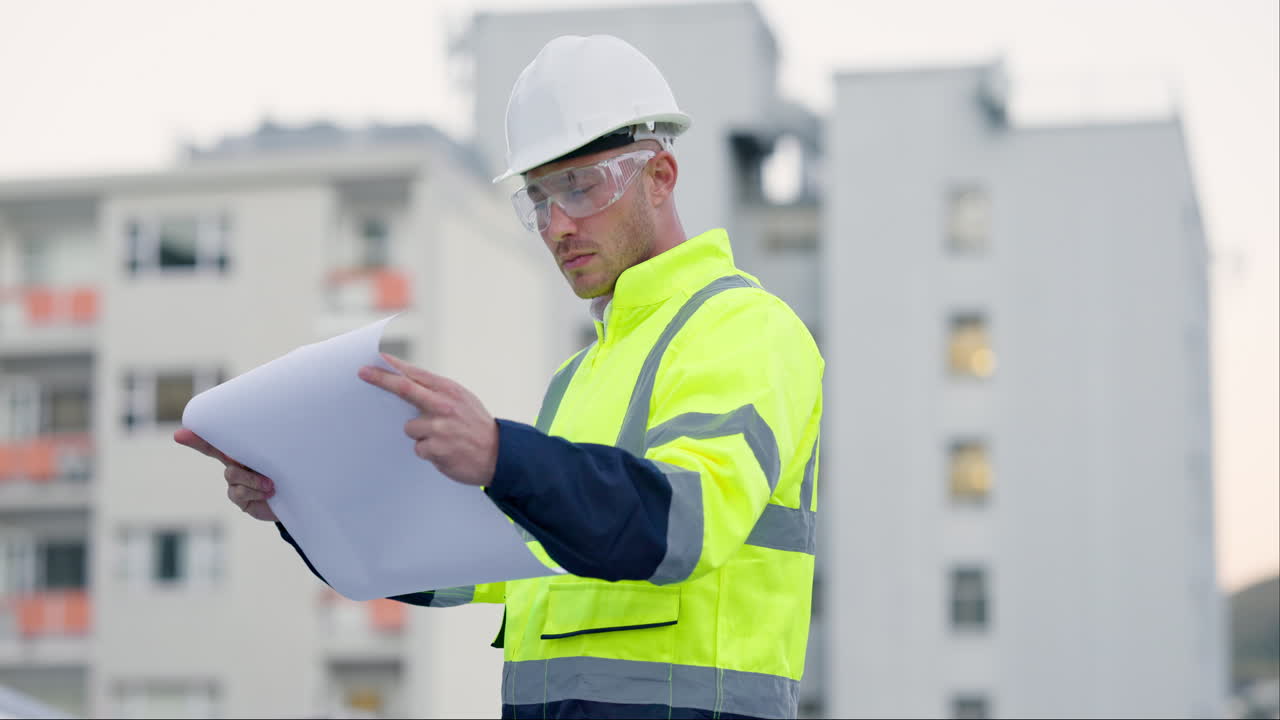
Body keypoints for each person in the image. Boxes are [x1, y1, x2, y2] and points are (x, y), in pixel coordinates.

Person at [176, 34, 823, 720]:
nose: (557, 225)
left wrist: (499, 454)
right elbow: (470, 563)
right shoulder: (580, 376)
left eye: (580, 186)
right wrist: (302, 504)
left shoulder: (745, 328)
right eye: (538, 199)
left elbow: (683, 525)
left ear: (660, 176)